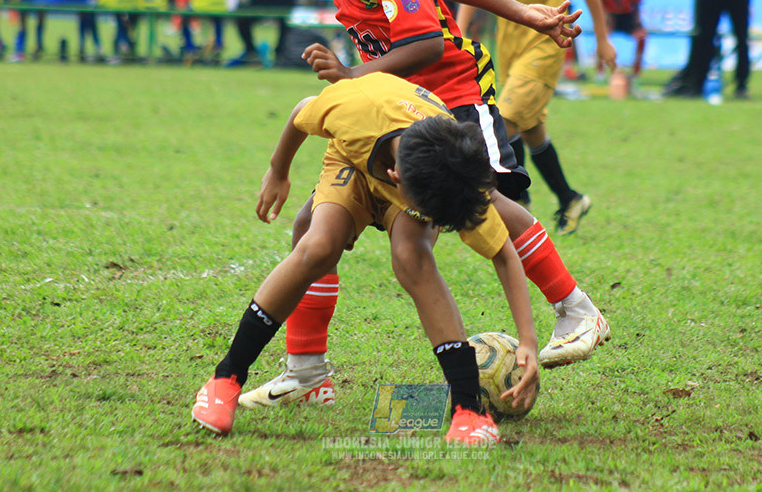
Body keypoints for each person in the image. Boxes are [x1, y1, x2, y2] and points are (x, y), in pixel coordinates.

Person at [232, 0, 611, 410]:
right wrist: (522, 12)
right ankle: (306, 370)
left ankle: (576, 310)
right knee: (314, 225)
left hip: (454, 101)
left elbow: (430, 45)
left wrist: (354, 76)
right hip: (402, 116)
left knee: (487, 205)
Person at [192, 72, 540, 445]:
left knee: (413, 257)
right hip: (353, 160)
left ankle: (468, 411)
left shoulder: (454, 171)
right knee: (318, 245)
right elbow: (299, 113)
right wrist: (279, 170)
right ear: (396, 177)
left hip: (413, 162)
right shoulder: (353, 110)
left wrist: (528, 341)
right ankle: (224, 379)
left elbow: (503, 254)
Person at [456, 0, 616, 230]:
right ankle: (570, 199)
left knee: (504, 120)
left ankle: (515, 199)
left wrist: (603, 41)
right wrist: (460, 36)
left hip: (546, 49)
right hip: (506, 52)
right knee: (531, 132)